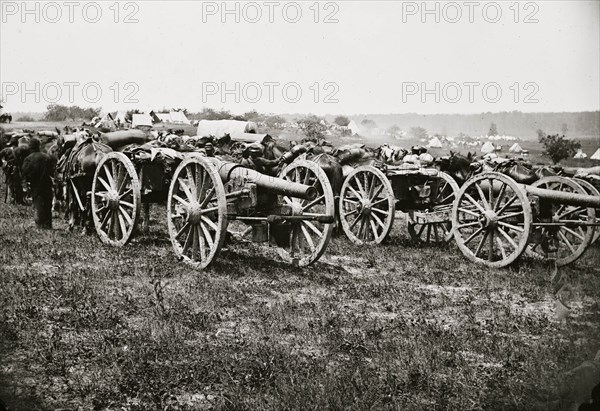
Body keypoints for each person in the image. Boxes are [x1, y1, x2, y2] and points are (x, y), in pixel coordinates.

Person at [22, 138, 56, 228]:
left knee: (38, 204)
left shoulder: (28, 159)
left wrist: (27, 184)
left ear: (30, 147)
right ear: (38, 146)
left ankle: (40, 224)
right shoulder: (47, 157)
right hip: (47, 184)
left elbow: (24, 172)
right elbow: (52, 172)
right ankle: (48, 224)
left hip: (35, 185)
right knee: (48, 204)